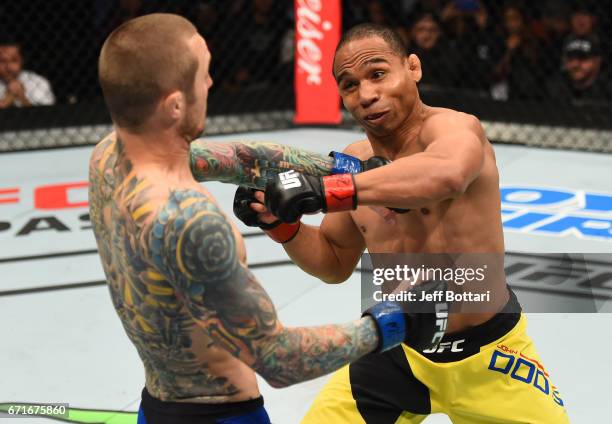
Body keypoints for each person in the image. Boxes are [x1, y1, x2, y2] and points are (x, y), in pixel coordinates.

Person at [92, 13, 442, 424]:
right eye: (203, 77)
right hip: (223, 415)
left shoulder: (108, 157)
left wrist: (352, 171)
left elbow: (244, 159)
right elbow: (279, 359)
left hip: (156, 405)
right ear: (174, 105)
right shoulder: (189, 219)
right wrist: (393, 323)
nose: (209, 85)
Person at [224, 23, 569, 423]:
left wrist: (331, 190)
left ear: (413, 68)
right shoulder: (352, 160)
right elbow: (334, 262)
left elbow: (447, 174)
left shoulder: (454, 129)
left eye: (377, 74)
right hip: (397, 350)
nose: (367, 94)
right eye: (349, 85)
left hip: (489, 356)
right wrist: (281, 227)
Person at [547, 35, 611, 106]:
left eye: (583, 58)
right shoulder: (554, 88)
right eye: (571, 59)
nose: (576, 64)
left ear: (597, 62)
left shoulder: (607, 90)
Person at [0, 38, 55, 108]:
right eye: (2, 61)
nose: (8, 66)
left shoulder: (38, 82)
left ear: (22, 61)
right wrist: (7, 100)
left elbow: (48, 115)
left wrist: (22, 98)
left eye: (14, 60)